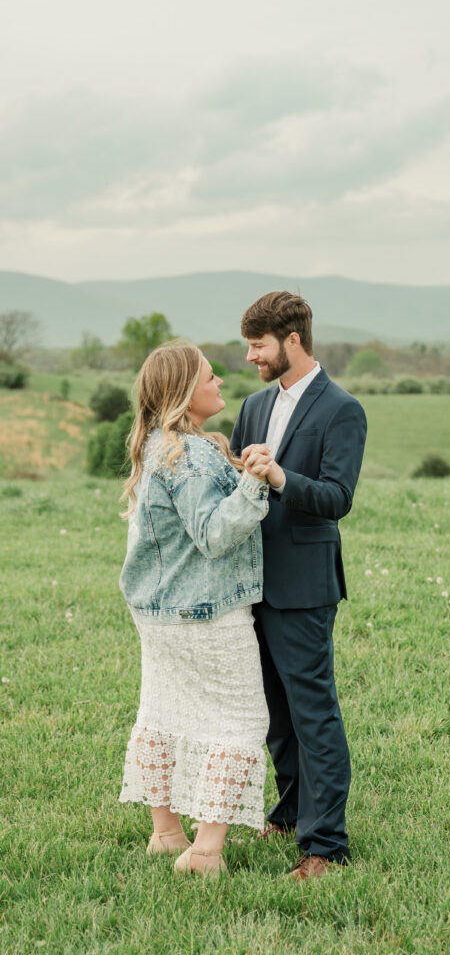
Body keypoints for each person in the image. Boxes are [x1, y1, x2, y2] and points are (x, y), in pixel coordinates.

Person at [118, 340, 285, 876]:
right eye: (210, 378)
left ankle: (166, 833)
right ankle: (205, 852)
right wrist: (255, 482)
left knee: (161, 714)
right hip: (204, 613)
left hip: (158, 612)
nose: (220, 384)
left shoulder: (159, 446)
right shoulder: (187, 454)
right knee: (240, 719)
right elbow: (213, 535)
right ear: (185, 392)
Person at [231, 291, 367, 881]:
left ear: (292, 340)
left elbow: (338, 499)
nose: (250, 358)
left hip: (305, 587)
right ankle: (288, 813)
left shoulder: (343, 409)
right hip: (249, 583)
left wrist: (282, 476)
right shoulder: (254, 405)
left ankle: (326, 844)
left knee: (312, 713)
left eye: (257, 346)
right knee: (272, 714)